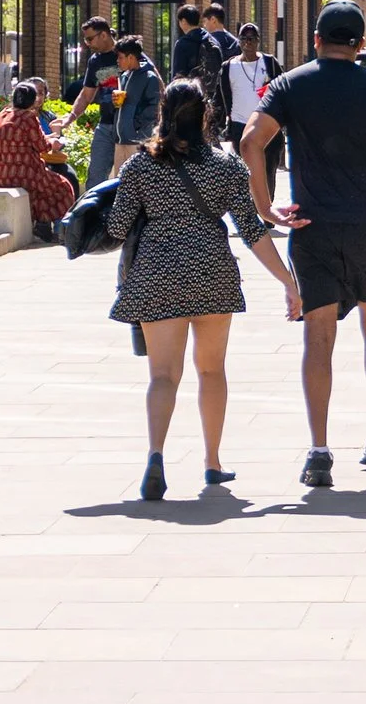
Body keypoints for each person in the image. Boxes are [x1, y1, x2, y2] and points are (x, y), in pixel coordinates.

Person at [243, 0, 366, 490]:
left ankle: (319, 452)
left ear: (316, 40)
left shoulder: (290, 85)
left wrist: (265, 208)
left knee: (318, 334)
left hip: (313, 228)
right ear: (362, 44)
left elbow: (250, 141)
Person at [109, 76, 299, 500]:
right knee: (211, 370)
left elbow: (118, 227)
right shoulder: (225, 167)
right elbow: (251, 230)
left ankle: (156, 457)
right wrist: (288, 281)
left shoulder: (140, 166)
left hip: (157, 273)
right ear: (205, 115)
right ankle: (212, 462)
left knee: (163, 375)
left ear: (163, 113)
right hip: (212, 271)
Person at [0, 79, 78, 235]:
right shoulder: (28, 117)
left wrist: (47, 139)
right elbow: (42, 146)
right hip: (23, 174)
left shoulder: (2, 115)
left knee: (43, 187)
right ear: (32, 100)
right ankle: (60, 229)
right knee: (63, 186)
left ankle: (42, 225)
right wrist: (53, 141)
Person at [67, 19, 122, 186]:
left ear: (103, 35)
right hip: (106, 125)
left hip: (131, 125)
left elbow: (154, 81)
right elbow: (86, 95)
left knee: (127, 179)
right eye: (85, 40)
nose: (87, 44)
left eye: (90, 39)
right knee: (95, 178)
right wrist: (71, 117)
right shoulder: (95, 60)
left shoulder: (127, 52)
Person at [110, 32, 161, 163]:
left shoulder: (149, 77)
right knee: (119, 176)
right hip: (120, 140)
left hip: (137, 142)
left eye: (120, 57)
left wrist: (136, 126)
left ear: (131, 57)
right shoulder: (123, 77)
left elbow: (153, 107)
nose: (117, 61)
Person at [226, 22, 280, 134]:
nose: (248, 42)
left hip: (263, 122)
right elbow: (221, 97)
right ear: (239, 41)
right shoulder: (229, 66)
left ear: (258, 41)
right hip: (238, 123)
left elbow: (282, 88)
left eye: (252, 38)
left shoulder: (269, 62)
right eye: (244, 38)